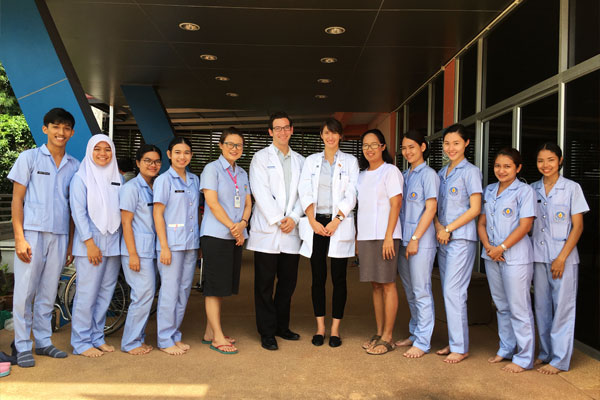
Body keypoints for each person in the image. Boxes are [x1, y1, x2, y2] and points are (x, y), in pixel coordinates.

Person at [9, 108, 79, 367]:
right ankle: (22, 345)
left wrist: (71, 242)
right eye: (56, 126)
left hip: (60, 235)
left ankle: (43, 342)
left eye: (66, 128)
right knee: (25, 292)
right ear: (45, 128)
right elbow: (17, 199)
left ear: (72, 132)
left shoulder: (75, 165)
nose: (61, 132)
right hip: (32, 234)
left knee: (49, 292)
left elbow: (74, 207)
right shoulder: (29, 158)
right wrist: (19, 237)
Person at [297, 118, 359, 348]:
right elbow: (304, 190)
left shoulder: (350, 161)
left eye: (334, 133)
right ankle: (320, 328)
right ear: (321, 135)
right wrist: (312, 220)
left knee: (339, 278)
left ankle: (335, 330)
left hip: (338, 222)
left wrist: (337, 220)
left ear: (340, 136)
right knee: (318, 277)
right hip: (316, 223)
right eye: (326, 133)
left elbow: (352, 193)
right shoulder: (311, 161)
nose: (330, 137)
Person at [247, 111, 305, 351]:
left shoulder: (301, 160)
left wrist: (293, 217)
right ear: (270, 132)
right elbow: (259, 192)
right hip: (268, 231)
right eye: (277, 128)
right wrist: (279, 219)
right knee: (264, 284)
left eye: (286, 127)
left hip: (291, 230)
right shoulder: (260, 158)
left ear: (292, 130)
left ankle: (282, 326)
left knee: (288, 283)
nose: (282, 132)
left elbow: (305, 193)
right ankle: (267, 332)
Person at [531, 142, 589, 374]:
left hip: (563, 258)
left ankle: (560, 359)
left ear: (560, 160)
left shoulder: (572, 188)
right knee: (542, 307)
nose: (546, 165)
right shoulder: (532, 188)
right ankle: (545, 353)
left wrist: (562, 257)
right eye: (541, 161)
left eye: (551, 160)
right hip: (537, 256)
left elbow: (578, 226)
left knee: (563, 308)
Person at [477, 148, 536, 373]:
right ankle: (506, 348)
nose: (501, 170)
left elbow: (525, 225)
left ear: (518, 168)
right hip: (492, 255)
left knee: (519, 307)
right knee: (501, 305)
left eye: (507, 166)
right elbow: (481, 223)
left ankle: (524, 356)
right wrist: (489, 247)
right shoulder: (489, 190)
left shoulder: (525, 191)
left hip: (515, 257)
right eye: (498, 166)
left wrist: (501, 247)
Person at [200, 127, 252, 355]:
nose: (234, 148)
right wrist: (233, 227)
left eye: (238, 145)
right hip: (216, 235)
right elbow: (212, 202)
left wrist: (242, 224)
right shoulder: (211, 169)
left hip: (235, 235)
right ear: (221, 146)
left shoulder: (241, 173)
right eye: (230, 144)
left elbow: (249, 203)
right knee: (213, 287)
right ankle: (217, 338)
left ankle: (209, 331)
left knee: (222, 287)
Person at [70, 134, 122, 358]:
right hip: (90, 243)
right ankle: (81, 342)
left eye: (107, 149)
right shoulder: (80, 178)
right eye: (98, 149)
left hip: (113, 243)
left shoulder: (118, 177)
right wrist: (89, 243)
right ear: (90, 151)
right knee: (87, 293)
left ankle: (97, 336)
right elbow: (78, 213)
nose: (103, 153)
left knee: (105, 293)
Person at [433, 123, 482, 364]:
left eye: (456, 143)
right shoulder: (442, 173)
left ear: (466, 144)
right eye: (447, 143)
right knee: (448, 292)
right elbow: (435, 207)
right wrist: (439, 228)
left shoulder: (470, 172)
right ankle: (455, 341)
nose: (450, 148)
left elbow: (475, 209)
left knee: (454, 292)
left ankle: (460, 347)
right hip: (443, 238)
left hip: (460, 239)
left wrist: (449, 228)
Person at [357, 129, 403, 355]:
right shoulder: (361, 175)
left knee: (387, 284)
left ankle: (388, 336)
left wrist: (388, 236)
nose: (370, 149)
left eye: (374, 144)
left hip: (387, 236)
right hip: (366, 236)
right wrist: (357, 238)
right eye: (366, 145)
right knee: (375, 285)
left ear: (383, 147)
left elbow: (396, 205)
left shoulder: (391, 171)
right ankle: (378, 331)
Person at [153, 137, 200, 356]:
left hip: (190, 244)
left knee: (183, 291)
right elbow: (158, 213)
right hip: (171, 244)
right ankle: (164, 338)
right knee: (169, 292)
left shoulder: (194, 179)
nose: (183, 156)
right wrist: (163, 246)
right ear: (169, 154)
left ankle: (174, 334)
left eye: (187, 152)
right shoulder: (164, 180)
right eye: (178, 152)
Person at [395, 130, 439, 358]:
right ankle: (414, 332)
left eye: (412, 146)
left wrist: (415, 239)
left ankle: (423, 341)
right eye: (404, 147)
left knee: (421, 291)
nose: (407, 151)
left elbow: (431, 209)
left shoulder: (429, 174)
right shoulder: (404, 174)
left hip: (420, 241)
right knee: (410, 291)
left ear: (422, 147)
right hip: (404, 240)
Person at [119, 144, 162, 355]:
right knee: (142, 295)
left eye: (156, 161)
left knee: (146, 295)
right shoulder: (131, 188)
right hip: (136, 251)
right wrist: (133, 254)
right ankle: (130, 342)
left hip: (150, 250)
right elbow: (126, 223)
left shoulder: (155, 187)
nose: (152, 165)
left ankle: (138, 338)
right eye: (147, 160)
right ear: (138, 163)